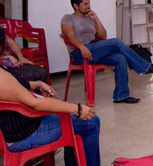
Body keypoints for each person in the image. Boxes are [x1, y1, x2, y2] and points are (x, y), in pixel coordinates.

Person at [0, 29, 101, 166]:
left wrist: (36, 84)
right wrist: (76, 108)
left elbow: (10, 89)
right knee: (91, 122)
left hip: (11, 131)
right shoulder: (2, 77)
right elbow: (35, 103)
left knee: (74, 119)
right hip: (23, 134)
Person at [61, 0, 153, 104]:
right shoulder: (68, 18)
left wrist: (96, 19)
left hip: (93, 51)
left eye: (89, 3)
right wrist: (81, 47)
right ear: (76, 6)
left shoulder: (90, 18)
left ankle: (121, 95)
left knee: (120, 58)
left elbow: (102, 36)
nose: (89, 6)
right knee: (116, 42)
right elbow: (70, 37)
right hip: (79, 53)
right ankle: (144, 67)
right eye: (85, 4)